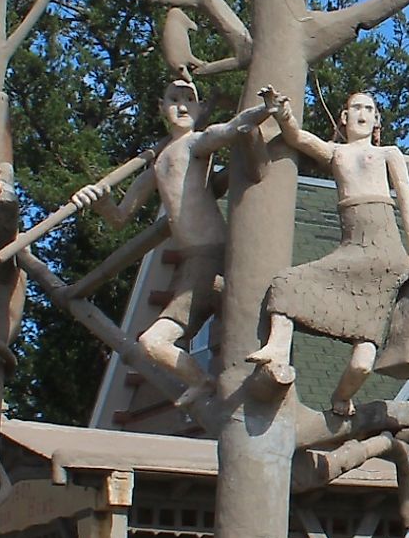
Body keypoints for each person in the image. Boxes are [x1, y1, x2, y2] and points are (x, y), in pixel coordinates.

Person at [249, 87, 409, 412]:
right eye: (355, 108)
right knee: (288, 281)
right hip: (349, 252)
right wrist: (281, 111)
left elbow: (406, 198)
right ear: (344, 118)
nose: (361, 113)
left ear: (376, 119)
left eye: (368, 108)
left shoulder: (388, 153)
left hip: (386, 258)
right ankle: (277, 347)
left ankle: (342, 398)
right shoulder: (336, 153)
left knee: (362, 362)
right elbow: (298, 137)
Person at [72, 75, 266, 390]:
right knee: (208, 324)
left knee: (154, 342)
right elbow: (119, 216)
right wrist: (98, 201)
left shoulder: (194, 143)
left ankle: (204, 385)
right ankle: (205, 384)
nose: (181, 106)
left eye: (188, 100)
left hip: (210, 252)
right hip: (192, 261)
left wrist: (262, 110)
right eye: (174, 100)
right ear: (161, 108)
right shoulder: (158, 165)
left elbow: (228, 130)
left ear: (200, 107)